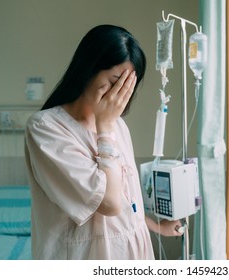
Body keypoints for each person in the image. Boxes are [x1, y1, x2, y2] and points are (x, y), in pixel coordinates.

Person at [24, 24, 182, 260]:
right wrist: (105, 127)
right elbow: (108, 203)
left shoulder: (118, 126)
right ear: (88, 70)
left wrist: (157, 227)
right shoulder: (45, 127)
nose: (118, 93)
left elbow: (125, 201)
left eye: (127, 86)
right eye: (115, 81)